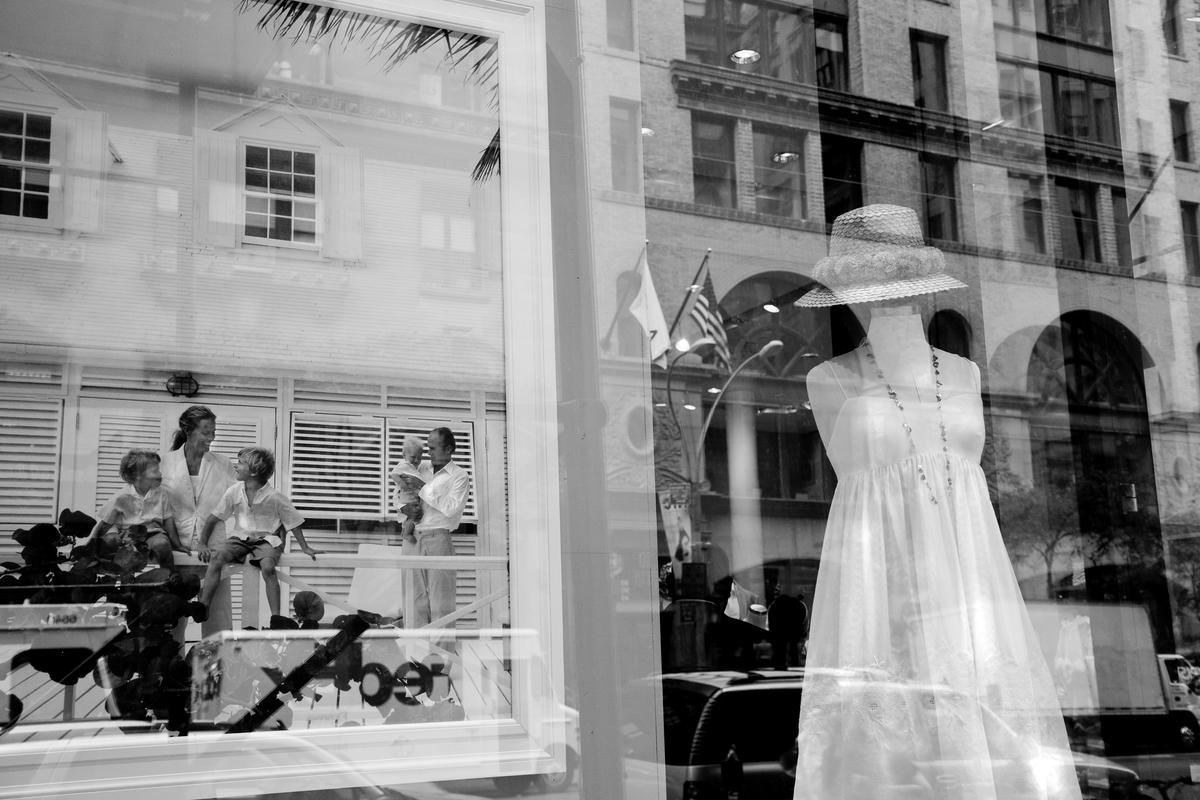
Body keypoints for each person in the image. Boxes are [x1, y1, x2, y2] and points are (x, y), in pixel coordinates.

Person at [792, 205, 1079, 799]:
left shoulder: (967, 374)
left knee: (988, 733)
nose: (887, 296)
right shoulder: (830, 380)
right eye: (870, 284)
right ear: (852, 295)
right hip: (882, 586)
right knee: (891, 751)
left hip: (973, 584)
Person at [191, 447, 320, 623]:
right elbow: (213, 518)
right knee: (217, 557)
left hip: (267, 540)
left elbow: (294, 521)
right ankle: (203, 605)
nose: (236, 466)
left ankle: (276, 618)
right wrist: (202, 544)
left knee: (267, 567)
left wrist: (305, 547)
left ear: (253, 471)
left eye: (241, 463)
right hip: (240, 538)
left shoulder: (274, 496)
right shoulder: (234, 491)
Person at [159, 405, 237, 634]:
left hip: (213, 547)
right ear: (188, 430)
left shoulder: (222, 464)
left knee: (217, 618)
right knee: (172, 617)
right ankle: (172, 668)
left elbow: (240, 499)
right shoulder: (165, 463)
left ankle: (216, 668)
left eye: (213, 432)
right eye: (206, 432)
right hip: (178, 549)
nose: (211, 438)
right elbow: (152, 503)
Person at [395, 427, 471, 631]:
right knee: (412, 601)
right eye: (428, 447)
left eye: (433, 448)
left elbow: (451, 508)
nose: (428, 452)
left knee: (441, 604)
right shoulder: (420, 466)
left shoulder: (460, 476)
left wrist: (423, 487)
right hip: (412, 539)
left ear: (449, 449)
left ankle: (441, 660)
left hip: (439, 538)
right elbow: (399, 493)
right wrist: (404, 507)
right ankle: (415, 657)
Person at [80, 449, 188, 570]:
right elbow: (105, 523)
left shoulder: (161, 493)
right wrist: (91, 544)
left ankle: (169, 579)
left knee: (162, 545)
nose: (160, 474)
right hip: (127, 535)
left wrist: (177, 545)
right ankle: (107, 578)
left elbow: (168, 520)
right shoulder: (122, 496)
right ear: (138, 476)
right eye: (155, 471)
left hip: (153, 534)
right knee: (110, 542)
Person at [389, 434, 432, 544]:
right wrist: (404, 507)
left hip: (430, 531)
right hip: (408, 497)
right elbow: (394, 478)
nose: (417, 460)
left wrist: (419, 484)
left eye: (419, 457)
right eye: (413, 457)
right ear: (404, 455)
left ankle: (406, 532)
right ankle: (406, 533)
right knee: (412, 516)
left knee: (414, 517)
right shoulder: (404, 466)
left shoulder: (426, 467)